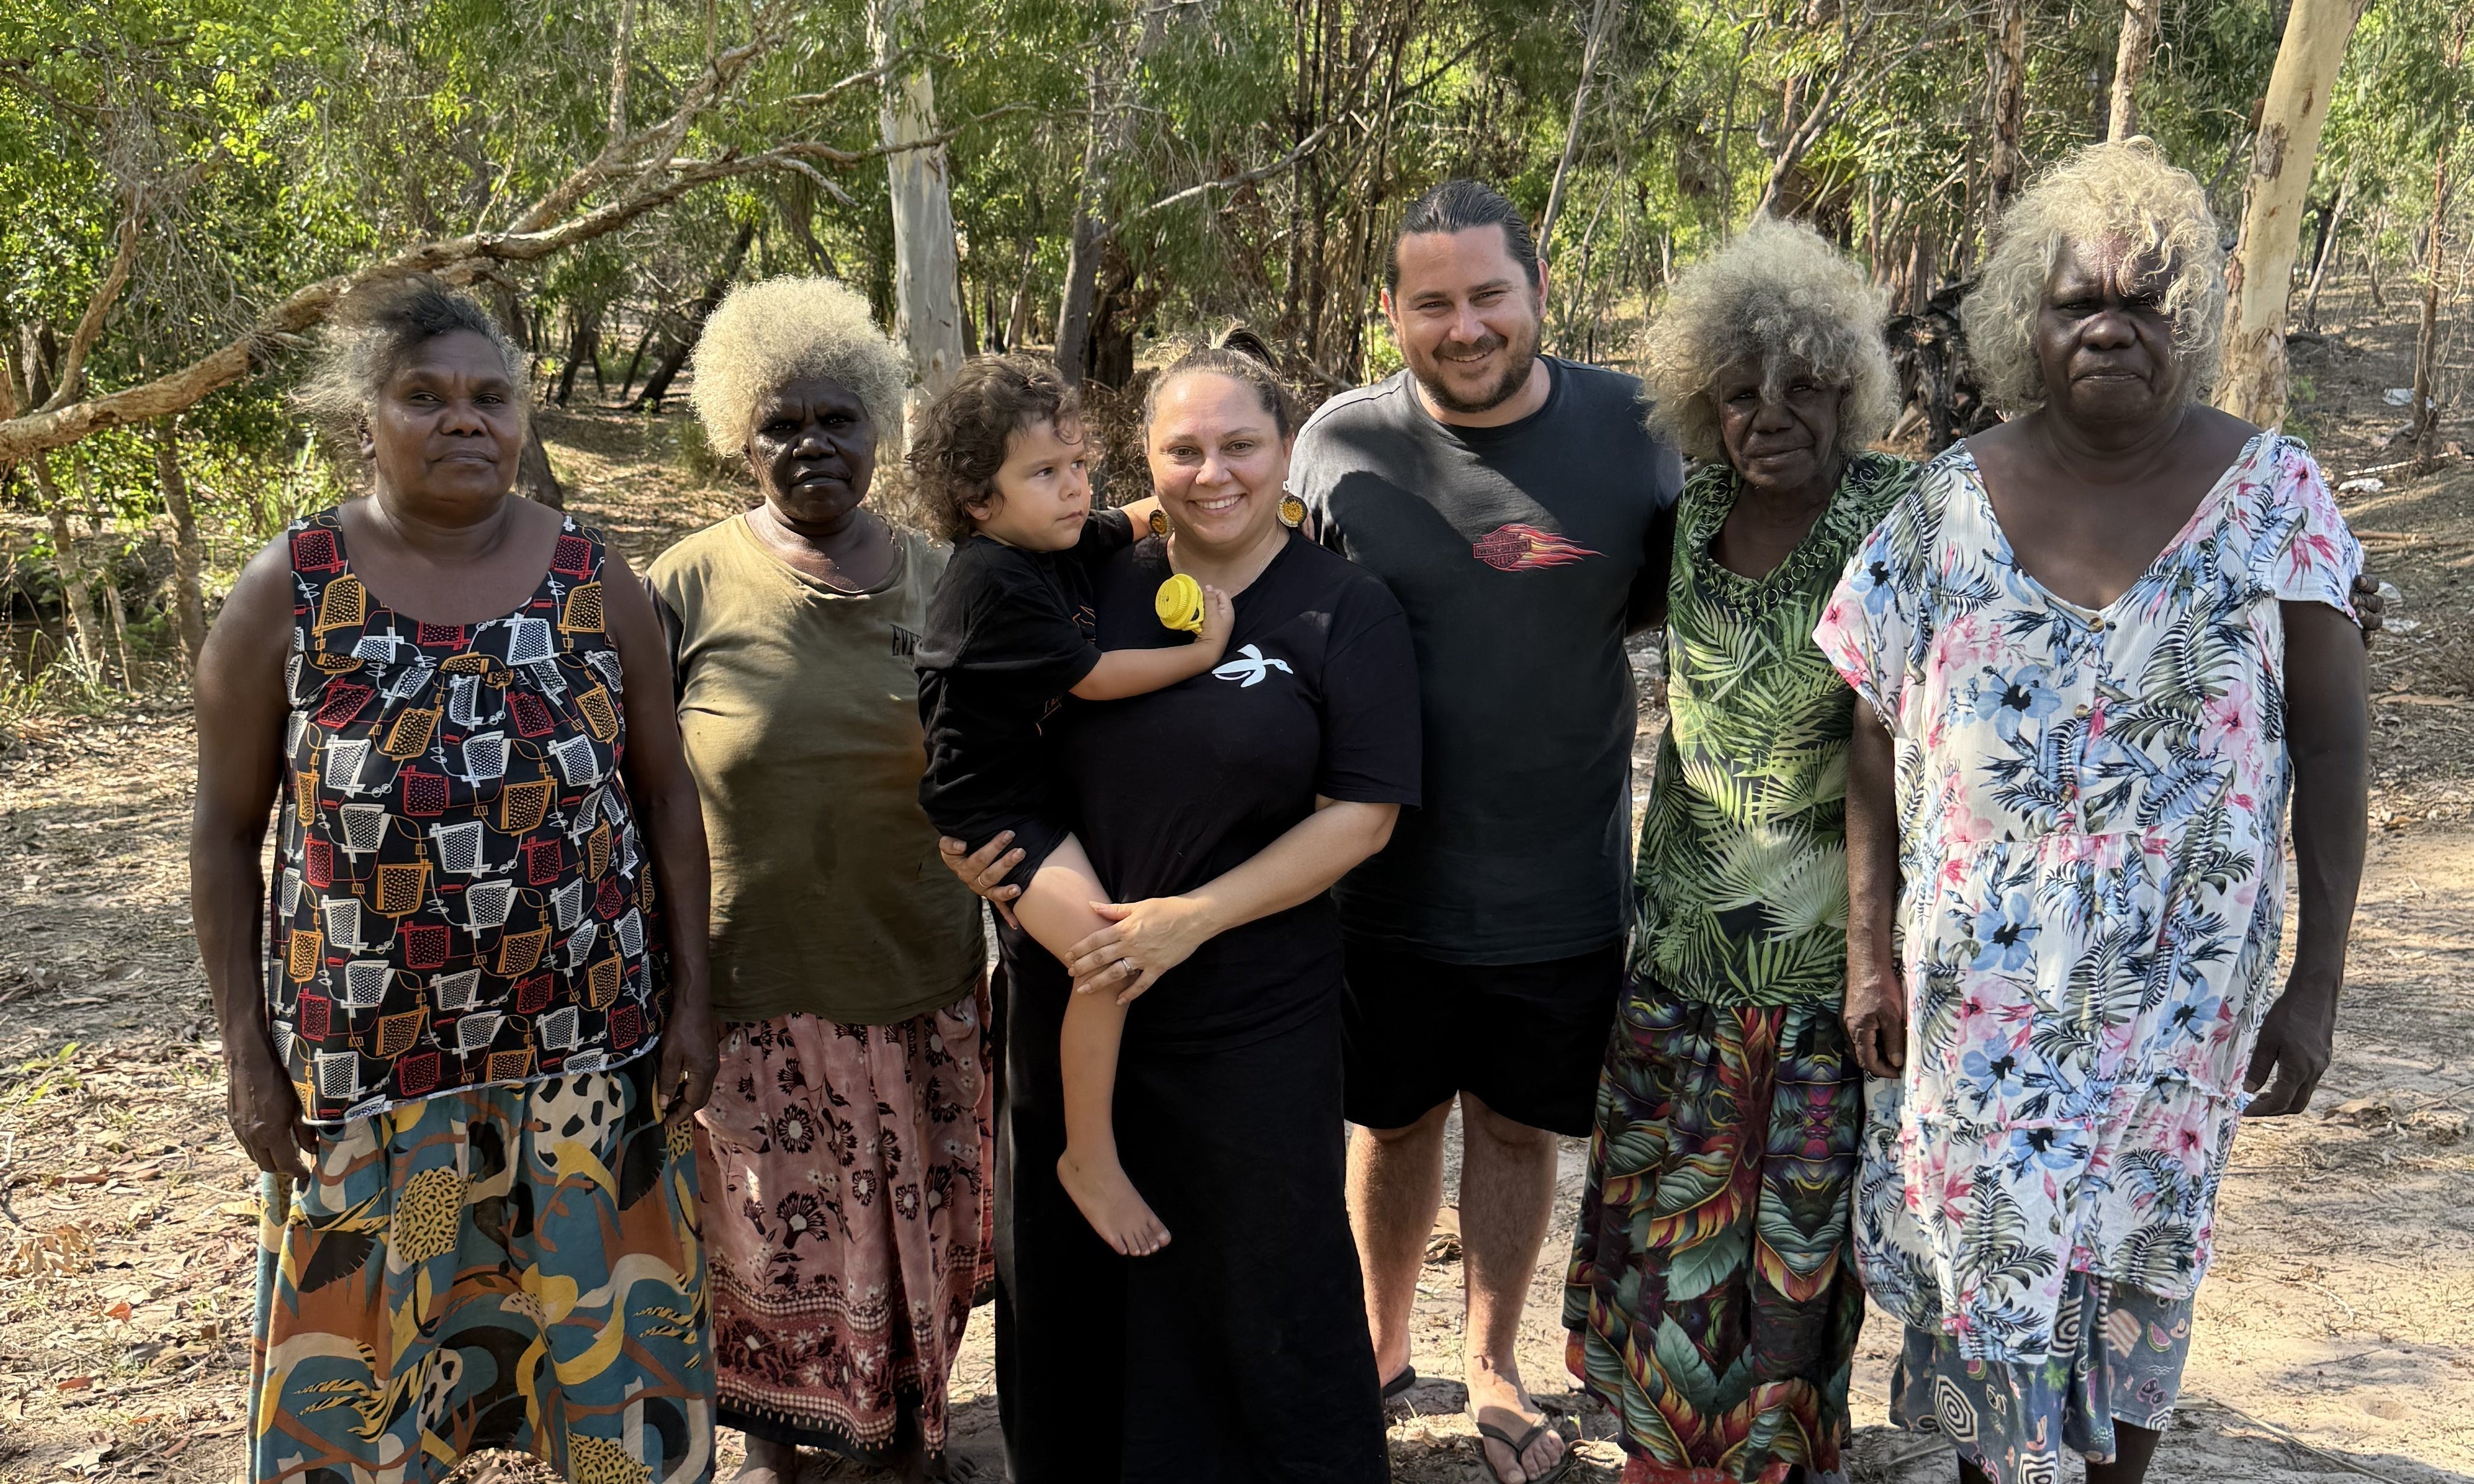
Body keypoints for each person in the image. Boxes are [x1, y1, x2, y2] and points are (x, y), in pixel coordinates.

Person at [1814, 139, 2370, 1484]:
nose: (2111, 328)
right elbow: (1871, 729)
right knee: (1987, 1291)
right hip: (1982, 1011)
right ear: (2030, 318)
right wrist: (1868, 951)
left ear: (2193, 320)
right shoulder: (1946, 505)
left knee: (2136, 1277)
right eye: (2079, 303)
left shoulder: (2276, 499)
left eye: (2146, 303)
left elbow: (2337, 747)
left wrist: (2317, 987)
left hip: (2178, 1008)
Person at [192, 276, 717, 1483]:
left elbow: (666, 795)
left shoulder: (596, 579)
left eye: (490, 397)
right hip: (378, 1082)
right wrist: (245, 1054)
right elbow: (225, 834)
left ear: (523, 422)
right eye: (424, 396)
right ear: (365, 416)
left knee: (606, 1391)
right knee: (377, 1395)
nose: (464, 420)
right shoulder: (292, 588)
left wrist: (694, 999)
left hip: (587, 1067)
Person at [942, 331, 1422, 1483]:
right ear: (1144, 461)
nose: (1215, 474)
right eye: (1184, 449)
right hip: (1074, 999)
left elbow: (1362, 817)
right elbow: (973, 716)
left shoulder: (1342, 609)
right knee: (1076, 1300)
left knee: (1257, 1284)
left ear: (1288, 448)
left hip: (1250, 1017)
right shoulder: (1077, 574)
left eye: (1242, 445)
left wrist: (1192, 918)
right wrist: (966, 845)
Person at [1289, 177, 1684, 1484]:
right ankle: (1376, 1348)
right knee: (1389, 1124)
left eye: (1487, 297)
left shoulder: (1638, 432)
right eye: (1432, 303)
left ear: (1537, 293)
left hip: (1559, 879)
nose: (1463, 328)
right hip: (1374, 885)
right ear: (1393, 312)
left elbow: (1665, 603)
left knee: (1517, 1129)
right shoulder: (1337, 447)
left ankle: (1500, 1363)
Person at [1562, 218, 1915, 1484]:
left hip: (1820, 973)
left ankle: (1771, 1460)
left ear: (1852, 391)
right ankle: (1668, 1458)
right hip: (1678, 963)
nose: (1771, 416)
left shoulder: (1904, 514)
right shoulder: (1693, 508)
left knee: (1790, 1262)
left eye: (1807, 387)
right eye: (1740, 391)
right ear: (1701, 401)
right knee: (1665, 1243)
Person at [646, 276, 996, 1484]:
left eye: (836, 417)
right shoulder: (682, 587)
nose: (811, 446)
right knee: (775, 1250)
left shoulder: (951, 580)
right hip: (757, 998)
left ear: (879, 423)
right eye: (781, 424)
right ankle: (791, 1459)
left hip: (923, 978)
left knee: (920, 1244)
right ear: (737, 436)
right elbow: (640, 798)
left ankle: (911, 1443)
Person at [911, 354, 1227, 1259]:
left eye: (1079, 463)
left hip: (1038, 792)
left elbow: (1127, 519)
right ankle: (1087, 1158)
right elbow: (1091, 681)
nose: (1075, 487)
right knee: (1108, 956)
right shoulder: (989, 579)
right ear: (977, 500)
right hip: (996, 813)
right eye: (1044, 474)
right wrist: (1202, 653)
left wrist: (1206, 498)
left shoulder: (1049, 539)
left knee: (1105, 957)